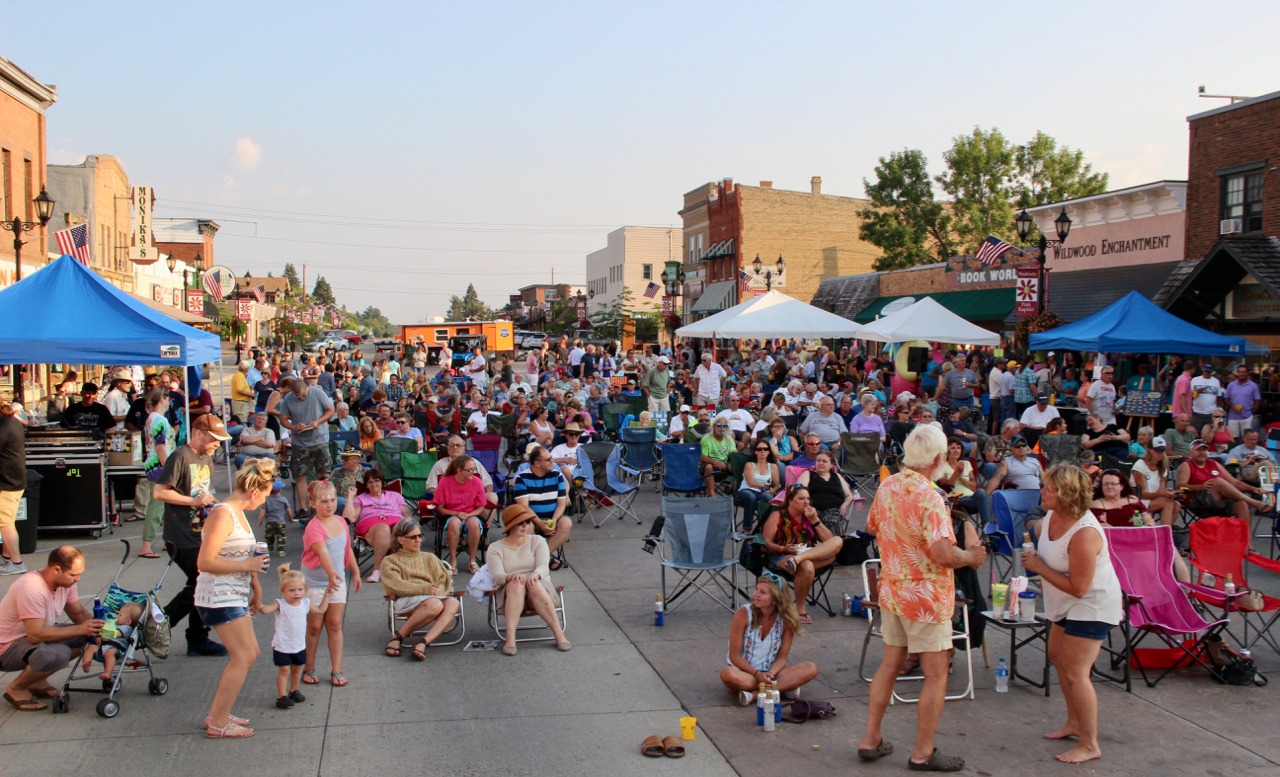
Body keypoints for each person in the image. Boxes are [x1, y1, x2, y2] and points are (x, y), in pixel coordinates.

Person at [858, 425, 986, 772]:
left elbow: (872, 526)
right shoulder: (930, 496)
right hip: (925, 595)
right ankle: (923, 751)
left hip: (893, 587)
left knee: (890, 664)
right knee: (936, 672)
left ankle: (871, 739)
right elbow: (943, 553)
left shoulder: (888, 485)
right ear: (938, 457)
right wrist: (971, 557)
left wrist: (901, 541)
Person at [1022, 464, 1122, 764]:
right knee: (1058, 658)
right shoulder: (1053, 515)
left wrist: (1039, 567)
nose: (1042, 491)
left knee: (1077, 672)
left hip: (1091, 602)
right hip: (1065, 602)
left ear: (1065, 495)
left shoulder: (1085, 534)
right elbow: (1037, 529)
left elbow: (1079, 587)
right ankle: (1074, 722)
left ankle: (1090, 743)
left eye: (1048, 488)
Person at [193, 457, 274, 738]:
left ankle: (219, 713)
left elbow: (243, 555)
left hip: (234, 595)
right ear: (254, 491)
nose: (263, 502)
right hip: (218, 597)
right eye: (264, 496)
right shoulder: (223, 514)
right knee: (243, 656)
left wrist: (255, 584)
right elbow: (205, 562)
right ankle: (217, 721)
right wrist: (248, 567)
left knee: (249, 653)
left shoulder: (238, 514)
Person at [155, 414, 233, 657]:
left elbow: (204, 492)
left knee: (202, 583)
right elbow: (159, 492)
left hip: (200, 532)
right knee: (202, 582)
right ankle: (161, 625)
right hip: (180, 535)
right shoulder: (180, 456)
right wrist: (193, 501)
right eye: (214, 439)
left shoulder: (205, 458)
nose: (217, 445)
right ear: (199, 432)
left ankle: (194, 637)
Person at [0, 546, 103, 711]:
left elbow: (78, 614)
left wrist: (101, 631)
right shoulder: (32, 587)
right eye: (74, 575)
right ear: (56, 569)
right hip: (6, 647)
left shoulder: (66, 584)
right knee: (58, 654)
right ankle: (16, 688)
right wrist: (82, 629)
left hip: (30, 637)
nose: (78, 579)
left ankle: (36, 681)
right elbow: (35, 634)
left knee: (88, 636)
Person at [720, 573, 818, 706]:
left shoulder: (787, 620)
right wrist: (757, 674)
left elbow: (782, 658)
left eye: (763, 592)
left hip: (771, 673)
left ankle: (755, 695)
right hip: (746, 673)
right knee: (728, 674)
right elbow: (734, 656)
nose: (756, 595)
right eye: (756, 590)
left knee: (811, 668)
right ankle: (781, 689)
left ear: (775, 599)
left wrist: (770, 674)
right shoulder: (743, 613)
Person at [487, 504, 572, 656]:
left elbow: (543, 566)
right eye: (520, 523)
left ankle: (559, 635)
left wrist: (535, 574)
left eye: (527, 522)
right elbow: (497, 576)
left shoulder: (537, 540)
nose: (525, 525)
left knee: (535, 585)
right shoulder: (495, 548)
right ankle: (510, 639)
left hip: (538, 585)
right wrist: (510, 576)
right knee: (516, 585)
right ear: (510, 525)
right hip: (510, 589)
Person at [299, 480, 359, 688]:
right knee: (314, 626)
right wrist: (331, 574)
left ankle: (337, 669)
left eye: (333, 500)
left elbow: (346, 549)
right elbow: (322, 551)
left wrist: (356, 572)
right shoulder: (313, 527)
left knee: (334, 624)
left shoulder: (341, 522)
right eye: (324, 501)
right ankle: (309, 665)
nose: (330, 504)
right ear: (313, 503)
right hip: (315, 582)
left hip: (336, 581)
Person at [380, 517, 461, 661]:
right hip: (406, 599)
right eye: (412, 537)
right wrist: (424, 589)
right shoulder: (390, 561)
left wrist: (438, 592)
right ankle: (399, 636)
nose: (418, 540)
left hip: (432, 597)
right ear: (400, 540)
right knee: (435, 604)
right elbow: (395, 585)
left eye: (419, 536)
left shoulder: (430, 558)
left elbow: (443, 580)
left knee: (453, 603)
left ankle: (423, 643)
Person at [760, 486, 842, 624]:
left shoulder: (810, 516)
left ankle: (798, 560)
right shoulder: (778, 516)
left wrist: (815, 520)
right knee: (807, 567)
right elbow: (765, 544)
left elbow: (828, 540)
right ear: (790, 500)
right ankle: (800, 608)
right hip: (783, 555)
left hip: (805, 554)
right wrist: (783, 549)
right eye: (801, 498)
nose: (806, 502)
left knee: (837, 540)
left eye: (808, 498)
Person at [257, 565, 329, 710]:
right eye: (291, 590)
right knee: (284, 670)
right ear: (283, 591)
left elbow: (321, 610)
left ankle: (294, 690)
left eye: (300, 590)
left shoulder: (306, 603)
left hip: (299, 645)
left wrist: (327, 595)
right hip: (282, 645)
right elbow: (265, 610)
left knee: (296, 670)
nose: (296, 593)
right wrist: (258, 601)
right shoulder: (280, 604)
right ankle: (281, 696)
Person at [276, 375, 335, 523]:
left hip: (319, 438)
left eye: (303, 395)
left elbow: (330, 410)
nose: (301, 398)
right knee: (300, 474)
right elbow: (283, 418)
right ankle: (303, 508)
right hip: (300, 441)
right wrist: (293, 427)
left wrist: (317, 422)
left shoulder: (317, 393)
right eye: (298, 396)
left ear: (307, 388)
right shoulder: (288, 399)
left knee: (323, 473)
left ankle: (324, 504)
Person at [344, 467, 413, 582]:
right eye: (370, 482)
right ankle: (377, 570)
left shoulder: (395, 496)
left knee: (401, 528)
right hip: (371, 524)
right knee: (383, 528)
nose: (374, 484)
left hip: (395, 522)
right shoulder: (361, 498)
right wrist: (350, 497)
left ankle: (398, 567)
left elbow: (406, 513)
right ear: (366, 485)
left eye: (376, 480)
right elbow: (351, 518)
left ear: (382, 482)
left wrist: (410, 526)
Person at [1176, 439, 1271, 521]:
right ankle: (1254, 502)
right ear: (1191, 452)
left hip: (1220, 499)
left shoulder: (1213, 463)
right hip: (1198, 501)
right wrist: (1200, 486)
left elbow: (1234, 482)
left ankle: (1246, 541)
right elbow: (1180, 486)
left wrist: (1253, 489)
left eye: (1204, 450)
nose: (1202, 452)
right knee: (1217, 481)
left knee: (1242, 505)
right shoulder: (1187, 465)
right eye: (1198, 450)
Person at [511, 445, 572, 563]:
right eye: (548, 460)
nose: (552, 461)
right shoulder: (522, 478)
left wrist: (553, 521)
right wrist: (539, 522)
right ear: (537, 463)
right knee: (526, 527)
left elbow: (561, 503)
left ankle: (542, 559)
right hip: (531, 518)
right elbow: (523, 506)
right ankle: (543, 561)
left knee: (566, 523)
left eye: (552, 458)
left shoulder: (557, 475)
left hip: (552, 517)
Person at [432, 455, 490, 573]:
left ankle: (472, 561)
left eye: (474, 469)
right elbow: (440, 508)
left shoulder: (477, 482)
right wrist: (456, 513)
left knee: (473, 523)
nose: (472, 472)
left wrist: (468, 515)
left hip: (471, 514)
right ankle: (453, 561)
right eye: (469, 470)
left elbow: (481, 507)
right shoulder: (445, 482)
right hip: (450, 514)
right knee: (454, 522)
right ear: (459, 470)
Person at [79, 600, 142, 682]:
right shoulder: (115, 623)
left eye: (120, 615)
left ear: (128, 621)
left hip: (116, 647)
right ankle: (86, 663)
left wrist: (104, 632)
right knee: (90, 648)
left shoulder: (127, 628)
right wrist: (99, 636)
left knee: (109, 653)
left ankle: (107, 673)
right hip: (103, 644)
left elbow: (116, 634)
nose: (117, 616)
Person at [795, 450, 854, 535]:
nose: (820, 463)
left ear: (831, 465)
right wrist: (809, 506)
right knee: (829, 519)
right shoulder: (808, 474)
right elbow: (799, 492)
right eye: (818, 460)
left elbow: (849, 496)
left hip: (835, 512)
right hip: (814, 511)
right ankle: (836, 543)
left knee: (832, 516)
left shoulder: (837, 476)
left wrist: (845, 505)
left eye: (824, 461)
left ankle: (831, 543)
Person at [939, 437, 992, 527]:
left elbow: (974, 487)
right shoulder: (942, 466)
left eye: (958, 448)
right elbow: (945, 488)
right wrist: (956, 473)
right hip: (956, 499)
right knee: (986, 501)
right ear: (946, 451)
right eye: (952, 448)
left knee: (981, 492)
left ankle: (987, 526)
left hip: (973, 497)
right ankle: (987, 529)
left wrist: (961, 478)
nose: (956, 450)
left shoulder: (966, 464)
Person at [0, 401, 27, 575]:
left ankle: (17, 562)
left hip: (7, 481)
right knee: (5, 521)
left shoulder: (4, 424)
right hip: (13, 479)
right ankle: (6, 558)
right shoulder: (11, 421)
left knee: (5, 523)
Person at [1130, 437, 1180, 526]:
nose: (1160, 454)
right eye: (1158, 451)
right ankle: (1164, 534)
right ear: (1149, 450)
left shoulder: (1163, 466)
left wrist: (1168, 493)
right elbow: (1141, 494)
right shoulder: (1140, 466)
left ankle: (1165, 531)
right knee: (1168, 504)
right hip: (1139, 501)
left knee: (1177, 504)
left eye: (1162, 451)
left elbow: (1161, 490)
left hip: (1153, 499)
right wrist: (1161, 494)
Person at [737, 440, 781, 533]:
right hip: (746, 490)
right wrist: (766, 487)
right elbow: (751, 482)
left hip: (762, 492)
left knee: (769, 497)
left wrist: (772, 490)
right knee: (751, 497)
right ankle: (747, 528)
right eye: (759, 449)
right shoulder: (749, 465)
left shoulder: (773, 467)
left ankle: (767, 528)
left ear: (769, 452)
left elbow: (777, 485)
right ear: (755, 452)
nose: (762, 451)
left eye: (765, 449)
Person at [1224, 364, 1261, 442]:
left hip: (1247, 417)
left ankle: (1246, 453)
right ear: (1237, 373)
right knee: (1233, 438)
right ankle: (1234, 453)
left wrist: (1252, 411)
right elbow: (1226, 398)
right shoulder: (1231, 385)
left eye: (1244, 372)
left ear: (1247, 373)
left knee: (1247, 438)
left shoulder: (1253, 385)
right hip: (1233, 417)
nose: (1242, 374)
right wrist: (1232, 406)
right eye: (1240, 372)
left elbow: (1257, 400)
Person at [700, 418, 735, 496]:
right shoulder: (706, 439)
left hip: (724, 465)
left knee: (737, 465)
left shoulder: (729, 439)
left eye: (724, 425)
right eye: (719, 425)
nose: (722, 427)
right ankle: (712, 495)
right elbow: (702, 457)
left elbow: (734, 453)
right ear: (714, 426)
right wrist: (715, 462)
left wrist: (733, 463)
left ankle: (736, 494)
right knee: (709, 467)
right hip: (708, 466)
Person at [1189, 362, 1222, 432]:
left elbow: (1219, 397)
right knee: (1195, 433)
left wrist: (1218, 409)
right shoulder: (1194, 380)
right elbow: (1189, 396)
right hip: (1197, 412)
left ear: (1212, 371)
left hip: (1211, 413)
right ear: (1203, 370)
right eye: (1206, 370)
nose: (1207, 372)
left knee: (1209, 433)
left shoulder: (1216, 381)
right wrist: (1197, 392)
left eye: (1209, 371)